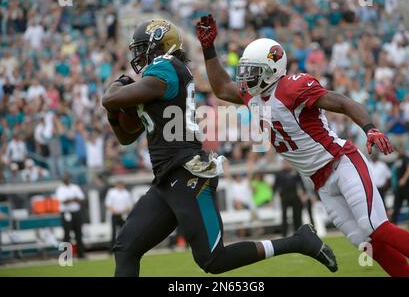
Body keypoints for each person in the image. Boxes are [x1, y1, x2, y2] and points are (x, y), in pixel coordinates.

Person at [196, 14, 409, 277]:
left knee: (376, 227)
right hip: (321, 182)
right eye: (245, 70)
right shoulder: (252, 95)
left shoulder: (293, 88)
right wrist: (208, 49)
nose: (245, 78)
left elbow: (343, 103)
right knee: (369, 245)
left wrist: (369, 128)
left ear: (273, 69)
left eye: (252, 71)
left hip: (341, 162)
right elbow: (222, 88)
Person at [102, 19, 337, 277]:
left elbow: (110, 98)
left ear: (160, 45)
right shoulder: (157, 77)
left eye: (142, 47)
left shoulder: (166, 66)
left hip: (187, 173)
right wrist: (113, 112)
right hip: (167, 178)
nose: (137, 55)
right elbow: (125, 135)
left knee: (213, 259)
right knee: (126, 247)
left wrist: (116, 87)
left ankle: (299, 241)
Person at [55, 173, 86, 259]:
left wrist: (70, 199)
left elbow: (81, 199)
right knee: (66, 234)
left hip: (76, 212)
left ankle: (81, 254)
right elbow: (63, 201)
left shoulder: (75, 187)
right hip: (66, 213)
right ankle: (66, 256)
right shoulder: (60, 189)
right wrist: (74, 199)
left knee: (79, 233)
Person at [273, 161, 306, 236]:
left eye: (288, 163)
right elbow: (275, 186)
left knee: (297, 215)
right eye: (285, 163)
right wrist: (273, 196)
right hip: (284, 196)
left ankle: (298, 232)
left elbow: (301, 183)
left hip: (295, 196)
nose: (287, 164)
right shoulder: (279, 173)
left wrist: (303, 193)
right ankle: (284, 234)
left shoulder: (295, 172)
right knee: (284, 216)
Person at [391, 145, 409, 225]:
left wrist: (404, 179)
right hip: (399, 186)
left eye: (400, 149)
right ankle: (393, 221)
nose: (399, 151)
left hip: (406, 185)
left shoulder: (406, 158)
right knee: (397, 204)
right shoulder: (398, 159)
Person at [105, 181, 133, 251]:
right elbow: (108, 204)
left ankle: (126, 247)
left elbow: (129, 205)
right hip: (114, 214)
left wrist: (123, 210)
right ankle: (112, 249)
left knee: (125, 231)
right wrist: (114, 211)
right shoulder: (112, 192)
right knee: (113, 232)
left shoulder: (126, 193)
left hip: (123, 215)